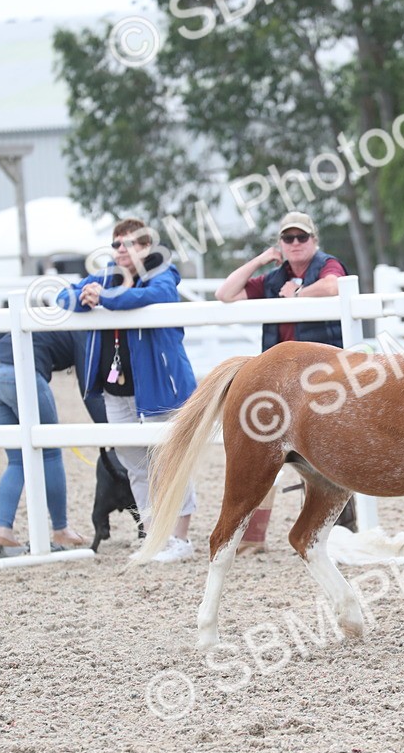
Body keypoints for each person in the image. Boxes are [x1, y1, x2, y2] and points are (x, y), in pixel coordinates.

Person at [58, 219, 199, 563]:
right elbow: (64, 296)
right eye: (117, 244)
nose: (121, 250)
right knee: (135, 463)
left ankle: (180, 539)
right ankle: (153, 536)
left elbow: (156, 296)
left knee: (172, 460)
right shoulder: (105, 277)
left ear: (147, 247)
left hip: (161, 385)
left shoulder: (163, 275)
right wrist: (86, 297)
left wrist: (106, 297)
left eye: (130, 243)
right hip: (116, 388)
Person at [215, 210, 349, 553]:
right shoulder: (274, 278)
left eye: (301, 237)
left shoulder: (327, 265)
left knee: (336, 451)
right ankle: (254, 536)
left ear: (313, 241)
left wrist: (298, 295)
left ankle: (341, 533)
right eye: (287, 239)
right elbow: (225, 293)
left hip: (324, 375)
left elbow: (336, 285)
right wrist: (262, 259)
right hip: (281, 381)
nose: (295, 244)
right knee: (262, 449)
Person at [0, 330, 93, 551]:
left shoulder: (42, 317)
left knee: (16, 459)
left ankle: (4, 531)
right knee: (50, 450)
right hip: (19, 373)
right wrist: (105, 427)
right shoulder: (82, 330)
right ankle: (61, 529)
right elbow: (87, 385)